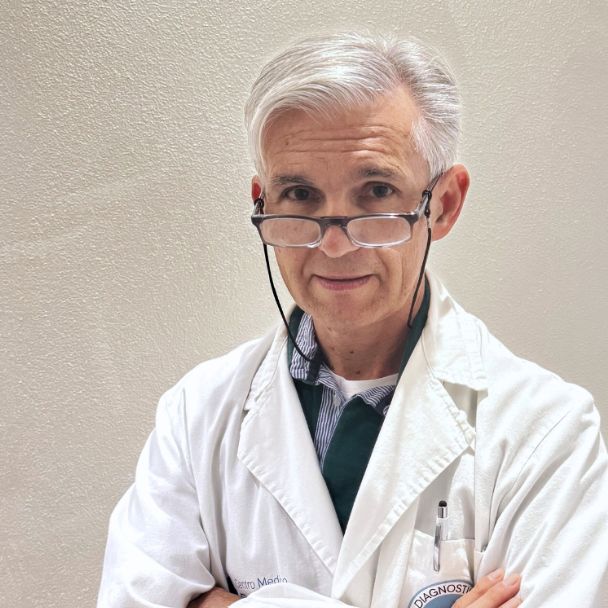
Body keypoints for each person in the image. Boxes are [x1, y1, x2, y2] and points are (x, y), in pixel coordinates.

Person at [98, 33, 608, 608]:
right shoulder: (197, 416)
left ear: (443, 204)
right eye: (300, 194)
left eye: (376, 191)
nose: (334, 245)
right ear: (263, 203)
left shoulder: (546, 432)